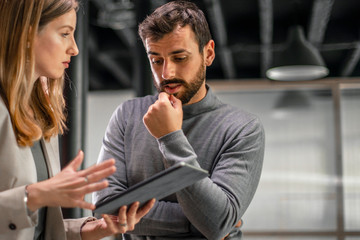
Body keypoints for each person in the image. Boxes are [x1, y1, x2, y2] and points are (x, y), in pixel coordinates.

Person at [93, 1, 265, 239]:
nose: (167, 73)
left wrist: (169, 137)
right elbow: (107, 207)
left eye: (180, 57)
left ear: (209, 53)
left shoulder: (242, 128)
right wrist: (199, 222)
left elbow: (217, 222)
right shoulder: (127, 115)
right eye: (156, 60)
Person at [0, 0, 155, 239]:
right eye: (64, 34)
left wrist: (94, 229)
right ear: (27, 33)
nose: (74, 48)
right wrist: (36, 195)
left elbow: (37, 230)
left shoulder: (41, 115)